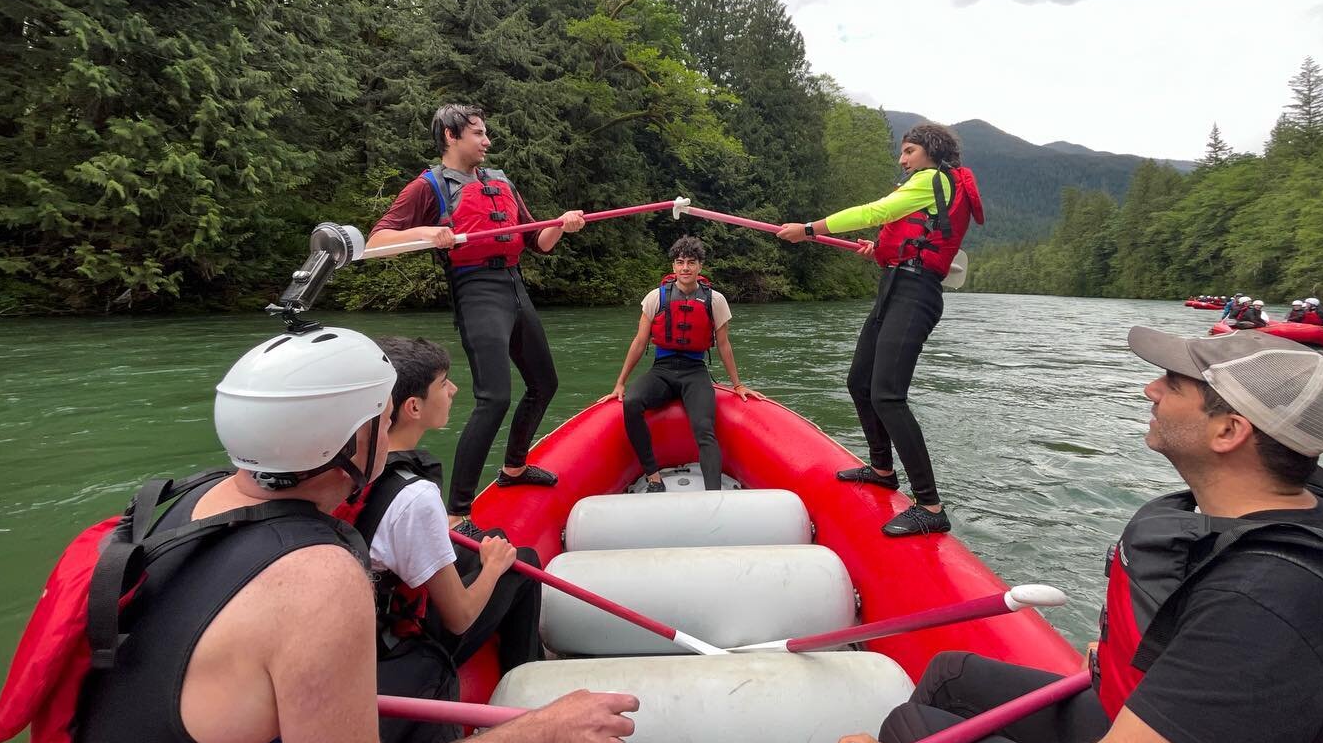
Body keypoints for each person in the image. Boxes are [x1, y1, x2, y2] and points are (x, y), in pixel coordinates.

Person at [0, 326, 636, 743]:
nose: (389, 431)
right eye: (381, 419)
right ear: (353, 441)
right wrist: (544, 730)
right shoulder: (317, 578)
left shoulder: (185, 504)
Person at [826, 327, 1323, 743]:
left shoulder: (1268, 597)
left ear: (1229, 432)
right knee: (952, 675)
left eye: (1173, 386)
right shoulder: (1297, 509)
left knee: (911, 737)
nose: (1149, 389)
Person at [367, 104, 586, 539]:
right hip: (475, 288)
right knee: (495, 397)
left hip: (513, 285)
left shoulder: (501, 181)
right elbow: (377, 242)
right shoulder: (427, 187)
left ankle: (514, 467)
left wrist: (562, 225)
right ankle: (455, 512)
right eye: (478, 134)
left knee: (544, 382)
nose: (487, 141)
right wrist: (426, 233)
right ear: (450, 136)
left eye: (486, 134)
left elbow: (537, 241)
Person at [333, 335, 547, 743]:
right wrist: (493, 568)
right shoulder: (414, 496)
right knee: (520, 561)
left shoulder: (343, 460)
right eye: (443, 383)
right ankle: (528, 684)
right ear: (413, 407)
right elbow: (460, 618)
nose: (453, 390)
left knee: (491, 539)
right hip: (398, 646)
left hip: (363, 615)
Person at [777, 121, 984, 537]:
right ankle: (883, 469)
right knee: (859, 382)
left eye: (909, 151)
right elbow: (901, 233)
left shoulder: (933, 179)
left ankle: (929, 504)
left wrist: (811, 229)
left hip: (916, 294)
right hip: (894, 286)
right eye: (903, 152)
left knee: (888, 396)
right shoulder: (926, 187)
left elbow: (875, 212)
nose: (903, 159)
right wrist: (884, 248)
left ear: (930, 151)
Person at [602, 235, 760, 491]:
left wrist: (738, 384)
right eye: (680, 262)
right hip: (662, 370)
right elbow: (640, 341)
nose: (685, 268)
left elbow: (724, 345)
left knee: (704, 428)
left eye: (691, 262)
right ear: (673, 266)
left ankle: (713, 495)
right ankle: (653, 477)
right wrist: (620, 383)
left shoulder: (715, 300)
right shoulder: (656, 297)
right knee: (631, 403)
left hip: (694, 372)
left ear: (700, 266)